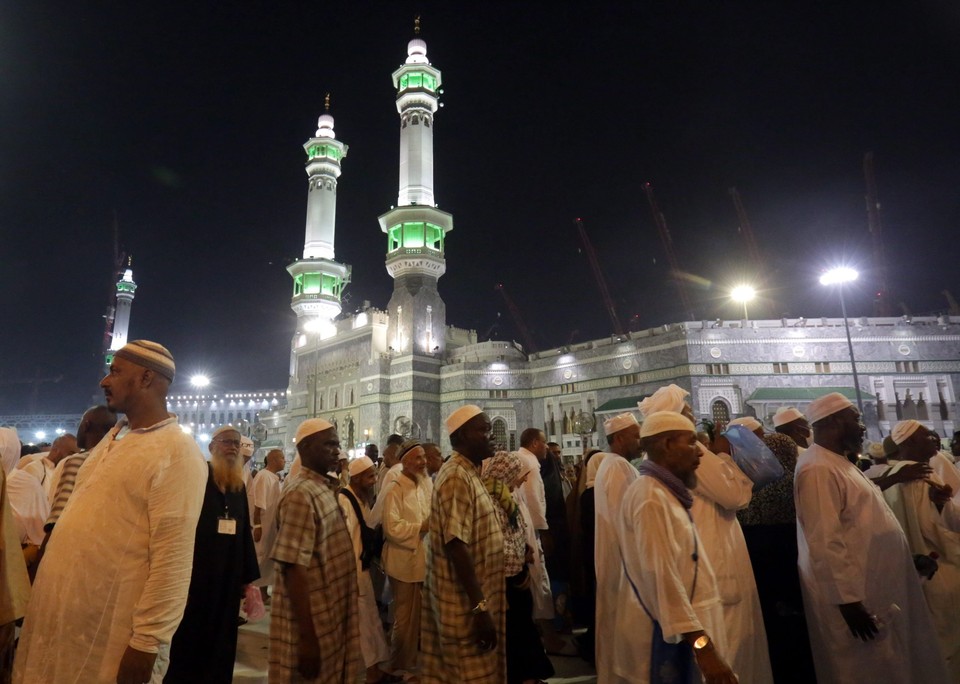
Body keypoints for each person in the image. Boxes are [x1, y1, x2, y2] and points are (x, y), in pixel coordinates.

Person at [14, 339, 208, 684]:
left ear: (147, 378)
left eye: (116, 372)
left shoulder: (177, 450)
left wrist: (147, 643)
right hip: (65, 625)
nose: (105, 381)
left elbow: (173, 561)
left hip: (112, 635)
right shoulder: (114, 439)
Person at [794, 392, 950, 683]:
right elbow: (824, 539)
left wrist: (906, 558)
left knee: (891, 668)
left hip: (874, 586)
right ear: (834, 422)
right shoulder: (817, 468)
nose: (862, 425)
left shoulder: (838, 463)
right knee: (865, 670)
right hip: (856, 599)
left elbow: (866, 522)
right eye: (856, 418)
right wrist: (848, 602)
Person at [640, 385, 772, 684]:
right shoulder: (691, 454)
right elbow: (734, 495)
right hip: (715, 561)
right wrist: (726, 456)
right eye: (687, 414)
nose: (694, 419)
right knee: (730, 655)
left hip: (716, 556)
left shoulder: (682, 457)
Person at [617, 411, 738, 684]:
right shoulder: (650, 496)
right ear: (668, 444)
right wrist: (703, 648)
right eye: (692, 442)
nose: (701, 453)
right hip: (669, 640)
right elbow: (661, 576)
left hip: (687, 631)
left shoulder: (663, 492)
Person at [164, 425, 259, 683]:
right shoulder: (197, 478)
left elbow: (243, 532)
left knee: (223, 639)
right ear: (212, 447)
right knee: (191, 637)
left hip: (228, 578)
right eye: (226, 442)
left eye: (236, 444)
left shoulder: (238, 485)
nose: (232, 447)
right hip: (196, 575)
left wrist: (246, 577)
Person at [269, 418, 360, 683]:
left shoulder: (322, 488)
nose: (336, 451)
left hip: (330, 616)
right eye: (329, 444)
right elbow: (293, 567)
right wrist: (307, 638)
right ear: (306, 447)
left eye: (338, 445)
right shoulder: (301, 493)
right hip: (314, 622)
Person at [421, 405, 505, 684]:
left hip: (475, 600)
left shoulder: (469, 472)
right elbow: (456, 545)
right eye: (483, 429)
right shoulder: (456, 475)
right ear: (462, 437)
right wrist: (479, 608)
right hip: (463, 608)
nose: (490, 434)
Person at [729, 419, 815, 683]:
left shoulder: (741, 476)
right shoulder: (790, 470)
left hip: (753, 547)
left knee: (770, 615)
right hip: (786, 544)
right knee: (793, 615)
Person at [882, 419, 960, 678]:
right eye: (927, 437)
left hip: (914, 569)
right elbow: (931, 528)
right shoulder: (918, 473)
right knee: (944, 642)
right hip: (935, 567)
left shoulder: (900, 471)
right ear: (910, 441)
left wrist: (941, 505)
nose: (934, 441)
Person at [482, 451, 554, 684]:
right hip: (505, 577)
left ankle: (528, 674)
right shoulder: (491, 500)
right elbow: (498, 539)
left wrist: (526, 550)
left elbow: (516, 531)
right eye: (519, 474)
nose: (522, 480)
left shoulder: (506, 495)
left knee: (521, 626)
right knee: (514, 629)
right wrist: (519, 561)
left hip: (516, 572)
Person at [593, 412, 642, 682]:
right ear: (620, 439)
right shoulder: (617, 468)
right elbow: (626, 519)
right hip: (620, 559)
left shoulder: (615, 465)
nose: (640, 441)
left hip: (617, 557)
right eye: (636, 436)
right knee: (618, 621)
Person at [339, 456, 393, 684]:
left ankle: (375, 670)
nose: (374, 481)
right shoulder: (345, 500)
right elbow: (348, 541)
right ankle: (370, 672)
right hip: (353, 573)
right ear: (358, 478)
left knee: (371, 621)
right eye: (370, 477)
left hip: (362, 571)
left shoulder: (360, 499)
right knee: (364, 625)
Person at [382, 440, 432, 678]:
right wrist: (420, 527)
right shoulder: (395, 488)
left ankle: (409, 662)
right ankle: (398, 665)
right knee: (405, 617)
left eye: (424, 457)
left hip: (422, 558)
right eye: (418, 458)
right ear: (405, 462)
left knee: (418, 615)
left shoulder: (423, 484)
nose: (423, 462)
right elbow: (392, 528)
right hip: (403, 561)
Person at [252, 448, 284, 601]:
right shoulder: (264, 476)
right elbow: (258, 504)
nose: (284, 461)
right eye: (282, 458)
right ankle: (252, 594)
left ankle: (263, 592)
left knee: (267, 562)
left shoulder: (274, 477)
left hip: (271, 526)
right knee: (260, 558)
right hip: (263, 526)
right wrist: (257, 526)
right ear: (273, 460)